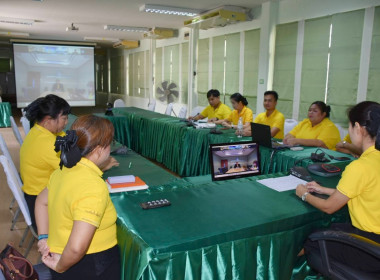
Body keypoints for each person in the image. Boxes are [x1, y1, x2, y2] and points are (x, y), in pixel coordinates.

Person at [295, 101, 380, 274]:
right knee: (334, 228)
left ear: (358, 128)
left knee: (308, 239)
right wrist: (324, 190)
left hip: (370, 249)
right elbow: (368, 192)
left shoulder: (360, 166)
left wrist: (304, 194)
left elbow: (329, 207)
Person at [35, 115, 120, 280]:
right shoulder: (92, 185)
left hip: (62, 256)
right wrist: (60, 266)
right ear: (98, 150)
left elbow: (41, 202)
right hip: (89, 266)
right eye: (109, 144)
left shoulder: (62, 170)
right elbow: (76, 248)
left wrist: (43, 237)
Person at [20, 94, 71, 229]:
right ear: (48, 120)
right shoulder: (46, 143)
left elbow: (63, 136)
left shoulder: (38, 131)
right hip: (42, 207)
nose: (66, 123)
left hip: (37, 196)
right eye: (64, 118)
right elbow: (72, 169)